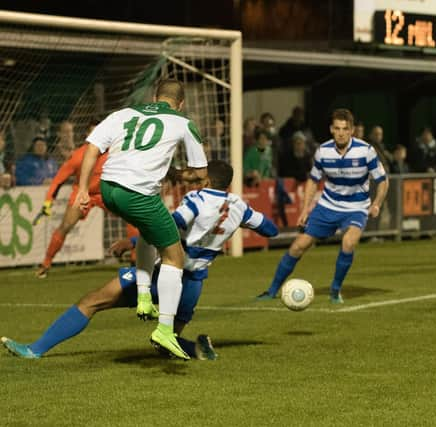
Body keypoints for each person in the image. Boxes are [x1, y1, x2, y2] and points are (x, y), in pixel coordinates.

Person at [1, 160, 279, 359]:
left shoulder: (196, 198)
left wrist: (132, 242)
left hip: (167, 275)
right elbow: (271, 230)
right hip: (194, 285)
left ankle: (34, 350)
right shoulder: (240, 206)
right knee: (164, 343)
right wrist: (236, 222)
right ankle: (195, 349)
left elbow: (168, 226)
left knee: (92, 301)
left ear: (206, 182)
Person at [76, 79, 208, 360]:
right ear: (181, 103)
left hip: (108, 189)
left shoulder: (123, 113)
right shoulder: (183, 122)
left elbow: (91, 148)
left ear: (154, 96)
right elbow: (200, 173)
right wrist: (177, 173)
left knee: (150, 233)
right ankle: (164, 329)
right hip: (137, 195)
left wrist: (83, 190)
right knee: (175, 258)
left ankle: (144, 296)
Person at [256, 108, 389, 304]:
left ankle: (335, 290)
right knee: (297, 246)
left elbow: (383, 180)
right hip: (328, 205)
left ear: (352, 130)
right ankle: (271, 291)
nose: (341, 132)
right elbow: (313, 180)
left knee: (349, 242)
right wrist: (304, 210)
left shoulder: (366, 151)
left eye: (345, 128)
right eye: (337, 128)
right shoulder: (322, 151)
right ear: (331, 130)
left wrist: (376, 204)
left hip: (356, 206)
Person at [34, 120, 138, 278]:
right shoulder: (78, 156)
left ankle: (135, 261)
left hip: (105, 193)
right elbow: (58, 180)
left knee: (134, 217)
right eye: (94, 133)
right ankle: (45, 264)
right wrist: (48, 202)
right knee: (66, 225)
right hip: (82, 194)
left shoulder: (115, 152)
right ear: (88, 135)